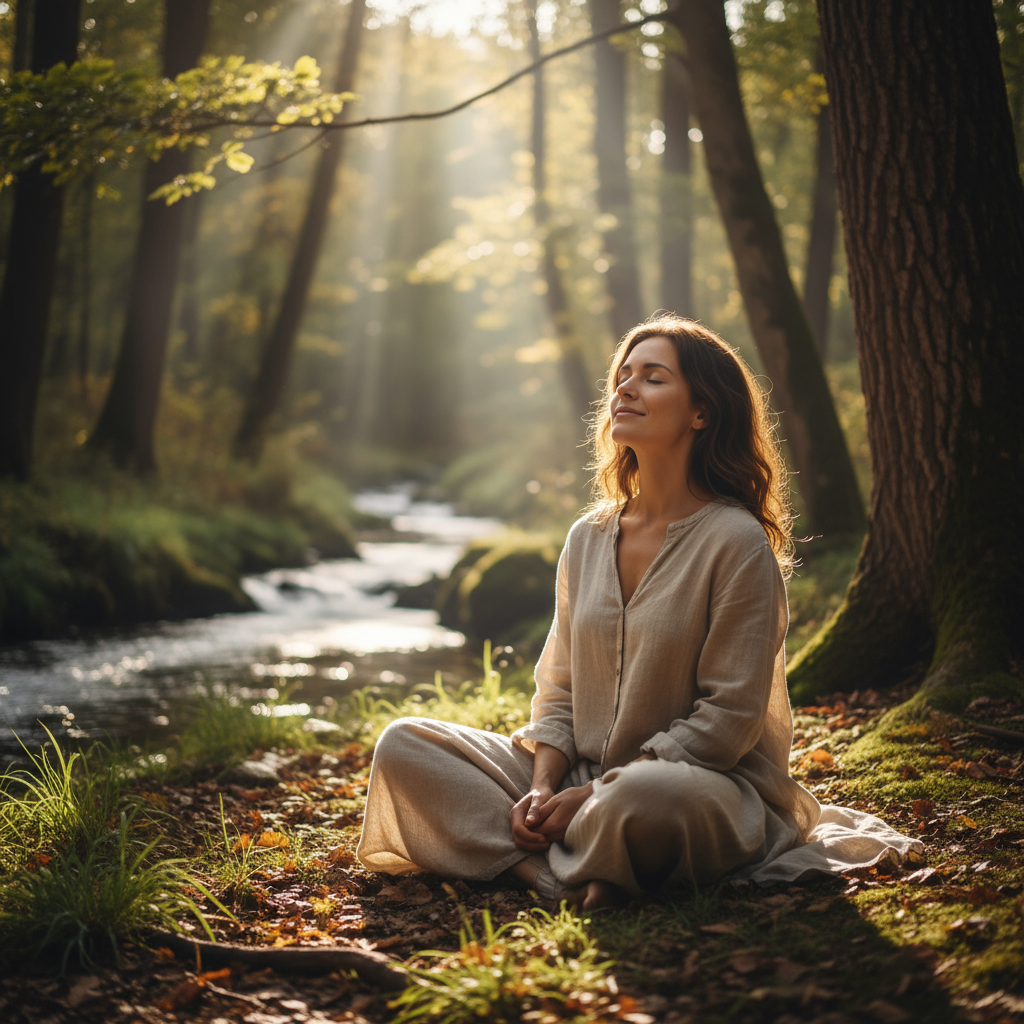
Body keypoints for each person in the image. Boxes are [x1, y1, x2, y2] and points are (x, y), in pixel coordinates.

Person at [357, 315, 921, 909]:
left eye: (653, 378)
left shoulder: (736, 541)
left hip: (694, 785)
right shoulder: (587, 537)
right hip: (578, 778)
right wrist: (546, 788)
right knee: (405, 744)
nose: (625, 388)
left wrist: (597, 794)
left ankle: (567, 852)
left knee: (640, 799)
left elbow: (728, 719)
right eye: (623, 376)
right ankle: (547, 874)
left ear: (701, 412)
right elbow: (558, 692)